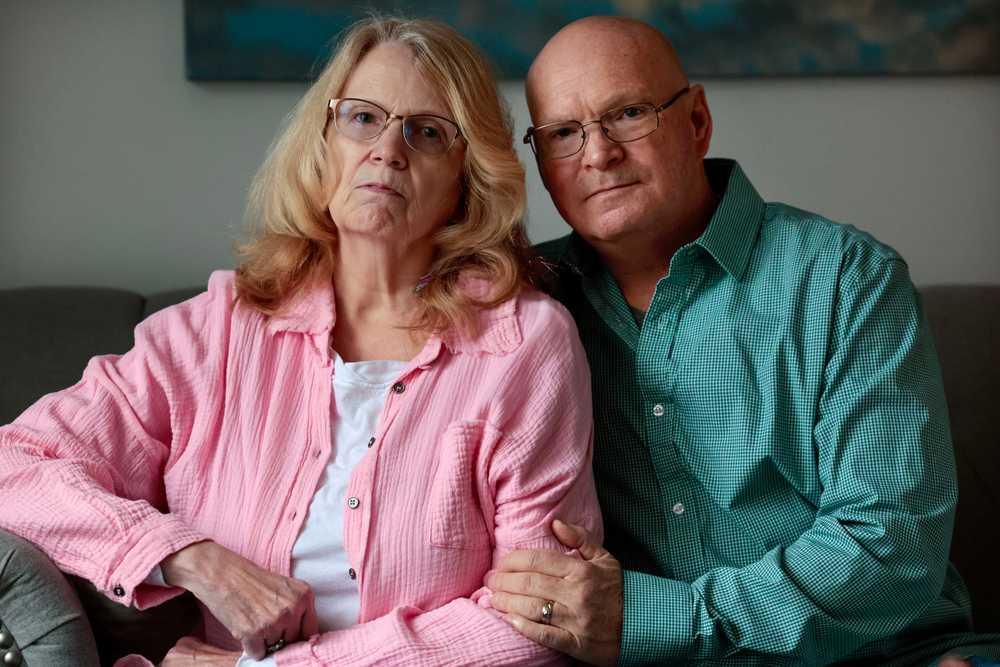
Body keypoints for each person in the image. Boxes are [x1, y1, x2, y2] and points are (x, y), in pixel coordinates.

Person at [0, 17, 601, 667]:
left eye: (426, 132)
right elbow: (14, 466)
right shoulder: (217, 330)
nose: (388, 150)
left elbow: (540, 625)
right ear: (323, 142)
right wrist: (186, 555)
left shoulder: (524, 343)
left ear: (467, 174)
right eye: (363, 118)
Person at [487, 15, 1000, 667]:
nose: (597, 153)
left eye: (629, 113)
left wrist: (646, 617)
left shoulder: (848, 280)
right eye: (563, 132)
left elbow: (887, 547)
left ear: (697, 120)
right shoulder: (518, 308)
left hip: (887, 655)